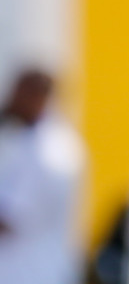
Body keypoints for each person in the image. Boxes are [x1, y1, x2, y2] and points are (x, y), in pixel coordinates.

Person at [0, 67, 85, 284]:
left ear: (37, 97)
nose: (10, 100)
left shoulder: (48, 153)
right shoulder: (45, 142)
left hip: (32, 275)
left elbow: (11, 219)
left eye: (18, 93)